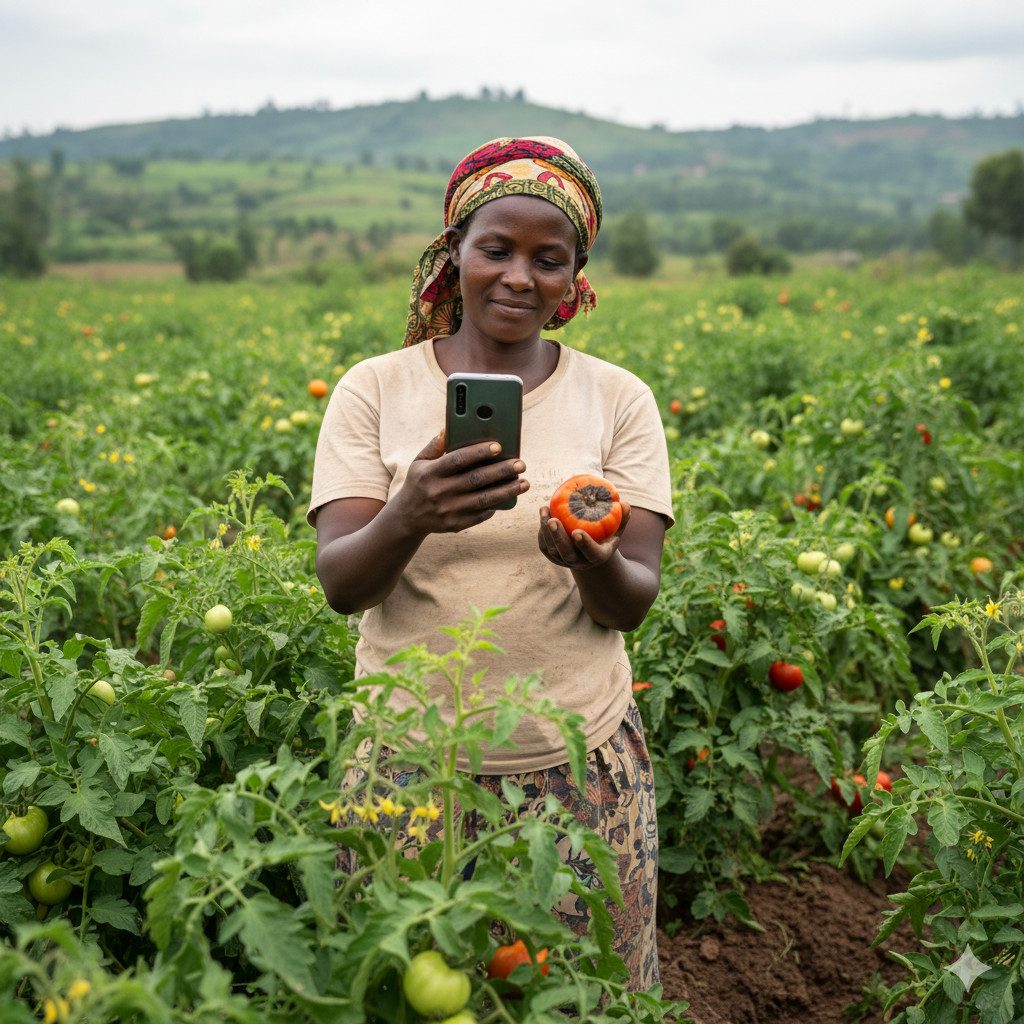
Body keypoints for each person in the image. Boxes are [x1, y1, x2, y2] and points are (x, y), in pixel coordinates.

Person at [308, 136, 673, 989]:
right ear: (454, 253)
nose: (519, 277)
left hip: (579, 766)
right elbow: (342, 584)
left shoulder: (617, 398)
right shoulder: (374, 389)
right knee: (409, 995)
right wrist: (409, 515)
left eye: (548, 259)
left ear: (575, 277)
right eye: (496, 250)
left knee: (585, 996)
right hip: (409, 767)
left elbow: (631, 601)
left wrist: (589, 561)